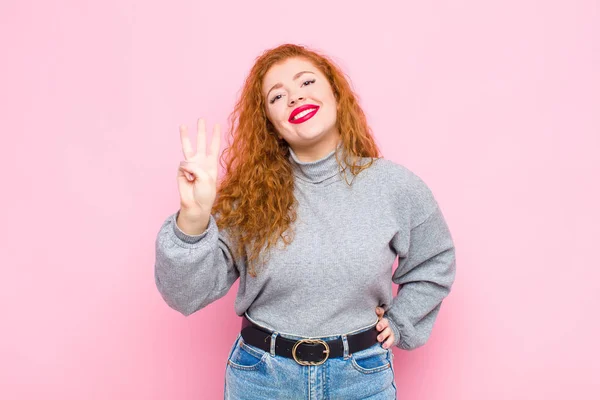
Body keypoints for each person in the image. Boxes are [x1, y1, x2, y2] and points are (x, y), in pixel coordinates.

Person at [154, 43, 456, 400]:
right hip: (262, 379)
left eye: (307, 82)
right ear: (269, 123)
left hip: (361, 378)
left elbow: (434, 261)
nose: (295, 97)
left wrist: (402, 322)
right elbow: (185, 295)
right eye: (277, 96)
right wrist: (193, 219)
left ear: (336, 93)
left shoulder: (395, 186)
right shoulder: (248, 196)